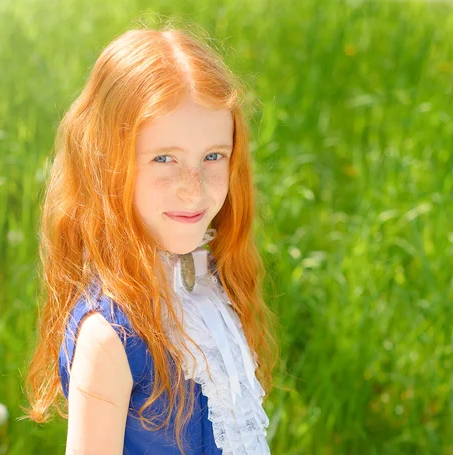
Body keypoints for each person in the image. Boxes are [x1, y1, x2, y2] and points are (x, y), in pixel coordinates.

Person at [22, 23, 280, 455]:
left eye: (212, 156)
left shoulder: (210, 288)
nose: (193, 187)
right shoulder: (110, 337)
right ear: (108, 165)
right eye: (164, 158)